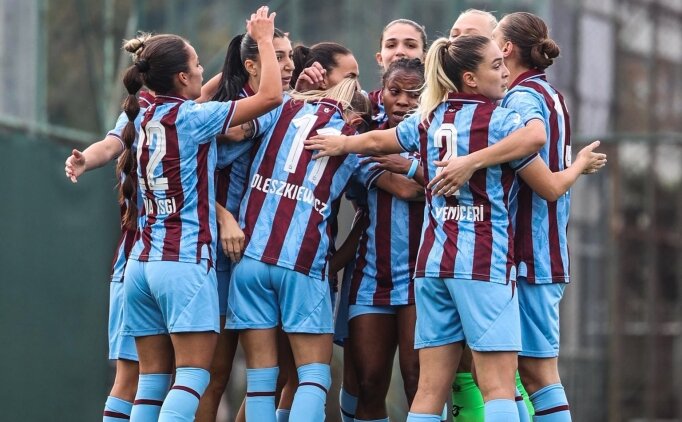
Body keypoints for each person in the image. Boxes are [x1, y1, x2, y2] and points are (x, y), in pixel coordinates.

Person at [303, 34, 605, 422]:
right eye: (496, 65)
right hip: (483, 265)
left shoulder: (430, 118)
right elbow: (545, 171)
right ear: (470, 78)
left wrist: (342, 144)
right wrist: (578, 166)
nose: (505, 72)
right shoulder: (501, 121)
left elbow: (380, 140)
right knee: (498, 386)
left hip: (432, 267)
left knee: (428, 391)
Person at [118, 7, 283, 422]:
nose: (201, 70)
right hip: (183, 263)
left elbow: (205, 91)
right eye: (195, 64)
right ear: (181, 77)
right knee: (193, 377)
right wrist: (264, 40)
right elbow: (270, 98)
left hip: (141, 264)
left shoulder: (143, 115)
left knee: (151, 382)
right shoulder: (193, 119)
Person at [224, 77, 369, 422]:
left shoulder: (283, 109)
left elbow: (234, 131)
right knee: (313, 376)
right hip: (301, 261)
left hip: (251, 256)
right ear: (357, 118)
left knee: (261, 381)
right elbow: (388, 187)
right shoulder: (353, 138)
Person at [195, 27, 294, 422]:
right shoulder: (238, 108)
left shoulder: (274, 106)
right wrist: (223, 216)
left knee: (261, 374)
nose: (288, 65)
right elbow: (226, 131)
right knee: (206, 375)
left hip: (247, 254)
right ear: (253, 65)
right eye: (279, 56)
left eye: (290, 56)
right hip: (210, 250)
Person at [492, 12, 577, 421]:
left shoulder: (521, 98)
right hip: (542, 251)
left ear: (506, 48)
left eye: (493, 38)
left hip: (530, 254)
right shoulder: (550, 93)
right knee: (511, 375)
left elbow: (535, 146)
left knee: (538, 375)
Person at [64, 89, 153, 422]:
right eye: (195, 65)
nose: (200, 70)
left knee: (159, 378)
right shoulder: (143, 114)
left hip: (160, 265)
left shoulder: (183, 110)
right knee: (134, 379)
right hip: (137, 263)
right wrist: (85, 160)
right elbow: (109, 145)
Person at [345, 57, 425, 422]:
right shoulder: (367, 136)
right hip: (371, 276)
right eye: (395, 91)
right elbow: (407, 189)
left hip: (421, 278)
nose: (403, 101)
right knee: (369, 383)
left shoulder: (436, 135)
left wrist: (415, 171)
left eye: (414, 94)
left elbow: (425, 187)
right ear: (383, 91)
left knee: (417, 380)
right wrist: (426, 178)